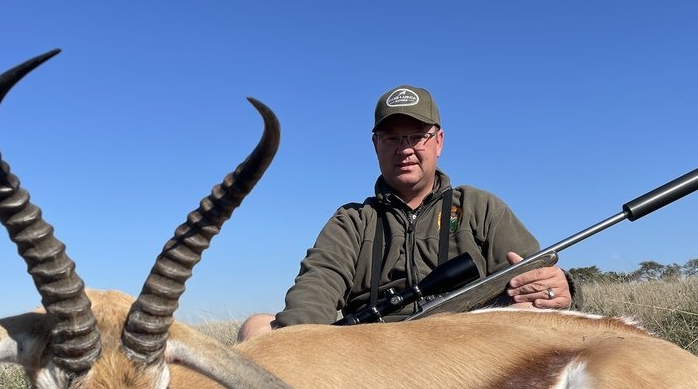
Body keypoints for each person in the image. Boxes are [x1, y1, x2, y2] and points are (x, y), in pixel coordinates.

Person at [239, 84, 575, 340]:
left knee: (531, 313)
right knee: (257, 328)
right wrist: (301, 340)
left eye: (417, 136)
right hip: (374, 351)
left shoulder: (479, 206)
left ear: (439, 141)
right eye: (391, 138)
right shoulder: (352, 221)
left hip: (466, 344)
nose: (405, 149)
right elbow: (315, 290)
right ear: (375, 144)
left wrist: (562, 287)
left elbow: (538, 275)